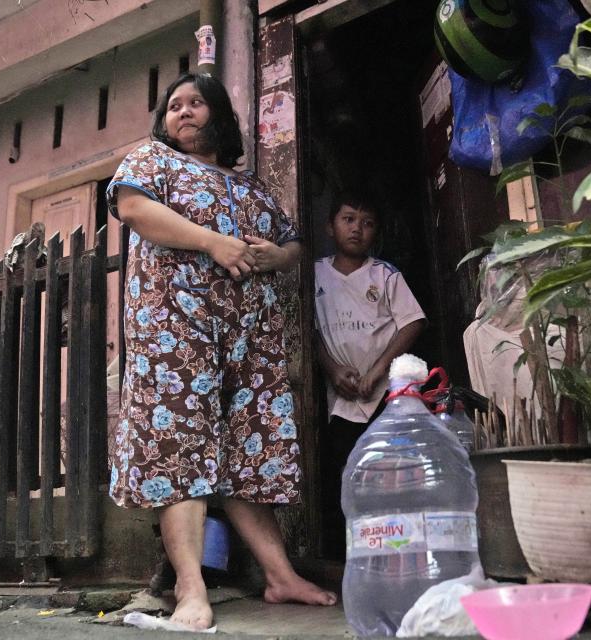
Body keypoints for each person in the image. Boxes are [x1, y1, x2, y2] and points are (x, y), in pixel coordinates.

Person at [106, 72, 336, 631]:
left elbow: (295, 245)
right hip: (174, 331)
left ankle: (281, 577)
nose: (183, 112)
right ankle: (191, 588)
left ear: (221, 117)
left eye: (197, 103)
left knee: (246, 453)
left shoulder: (252, 186)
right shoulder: (151, 162)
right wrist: (214, 241)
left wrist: (273, 258)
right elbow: (134, 211)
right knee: (180, 450)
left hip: (248, 336)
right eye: (174, 106)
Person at [314, 194, 426, 558]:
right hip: (340, 397)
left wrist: (379, 370)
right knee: (345, 472)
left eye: (366, 222)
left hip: (381, 395)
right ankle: (352, 552)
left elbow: (412, 321)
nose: (356, 229)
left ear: (376, 232)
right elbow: (307, 329)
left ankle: (392, 549)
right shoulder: (315, 274)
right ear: (330, 227)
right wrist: (332, 369)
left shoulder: (385, 275)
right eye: (348, 219)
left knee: (387, 471)